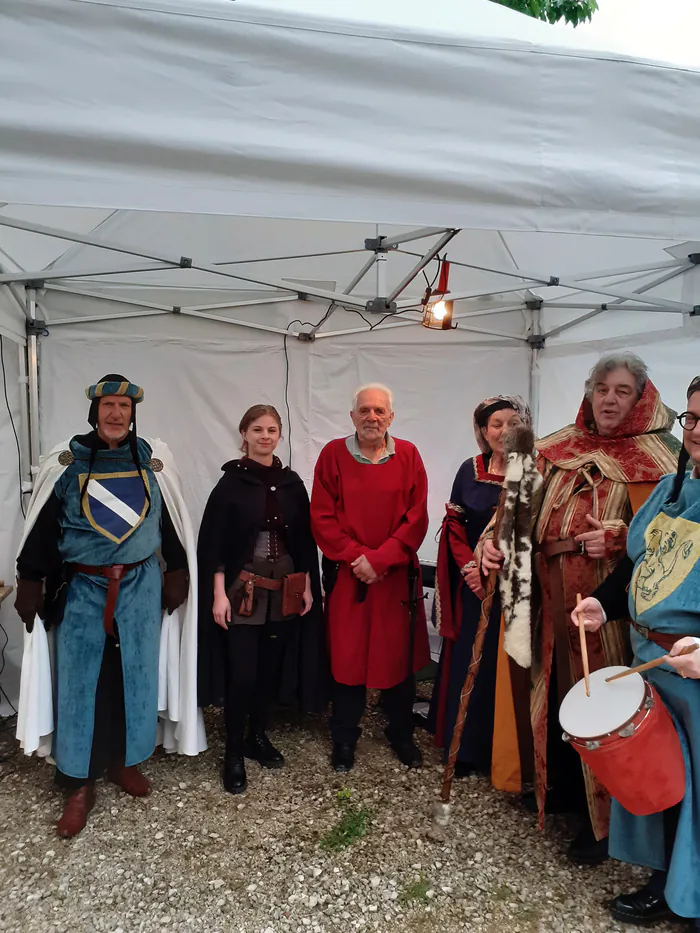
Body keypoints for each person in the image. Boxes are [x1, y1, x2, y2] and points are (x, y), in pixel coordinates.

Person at [482, 353, 679, 864]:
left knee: (604, 701)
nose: (610, 399)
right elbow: (512, 506)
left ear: (642, 398)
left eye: (622, 391)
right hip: (548, 596)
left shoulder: (661, 459)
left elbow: (668, 534)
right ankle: (560, 792)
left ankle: (606, 824)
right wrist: (491, 542)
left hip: (609, 606)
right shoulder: (554, 447)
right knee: (552, 692)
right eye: (601, 389)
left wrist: (616, 538)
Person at [14, 374, 203, 838]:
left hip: (139, 587)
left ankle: (122, 761)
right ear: (94, 410)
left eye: (123, 406)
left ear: (132, 411)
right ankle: (77, 782)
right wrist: (30, 578)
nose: (116, 414)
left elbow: (170, 522)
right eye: (108, 406)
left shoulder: (152, 464)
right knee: (80, 685)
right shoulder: (68, 465)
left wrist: (177, 570)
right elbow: (43, 530)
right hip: (83, 589)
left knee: (133, 678)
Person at [573, 375, 700, 930]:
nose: (695, 431)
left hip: (695, 670)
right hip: (654, 661)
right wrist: (606, 605)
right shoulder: (678, 485)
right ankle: (663, 882)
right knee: (659, 778)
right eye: (691, 418)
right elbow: (637, 565)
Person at [197, 404, 326, 794]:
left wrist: (306, 585)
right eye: (257, 429)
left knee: (269, 670)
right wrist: (218, 595)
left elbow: (303, 540)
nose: (265, 436)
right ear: (244, 435)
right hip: (243, 591)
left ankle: (257, 737)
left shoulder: (290, 484)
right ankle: (233, 752)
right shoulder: (231, 483)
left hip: (284, 588)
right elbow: (215, 544)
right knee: (243, 674)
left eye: (272, 430)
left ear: (280, 435)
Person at [310, 383, 429, 772]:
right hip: (351, 578)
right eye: (364, 410)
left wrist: (382, 560)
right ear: (352, 416)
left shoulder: (409, 455)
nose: (371, 417)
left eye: (379, 411)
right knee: (348, 658)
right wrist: (358, 559)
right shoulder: (332, 455)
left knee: (397, 658)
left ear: (390, 417)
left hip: (393, 579)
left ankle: (401, 734)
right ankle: (344, 738)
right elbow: (322, 517)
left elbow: (417, 519)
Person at [429, 395, 532, 787]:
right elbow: (453, 525)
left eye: (512, 423)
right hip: (473, 586)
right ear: (482, 432)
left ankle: (504, 750)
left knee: (504, 666)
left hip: (516, 589)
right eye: (495, 425)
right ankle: (467, 749)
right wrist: (471, 569)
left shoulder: (533, 472)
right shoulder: (469, 470)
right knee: (469, 662)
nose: (504, 431)